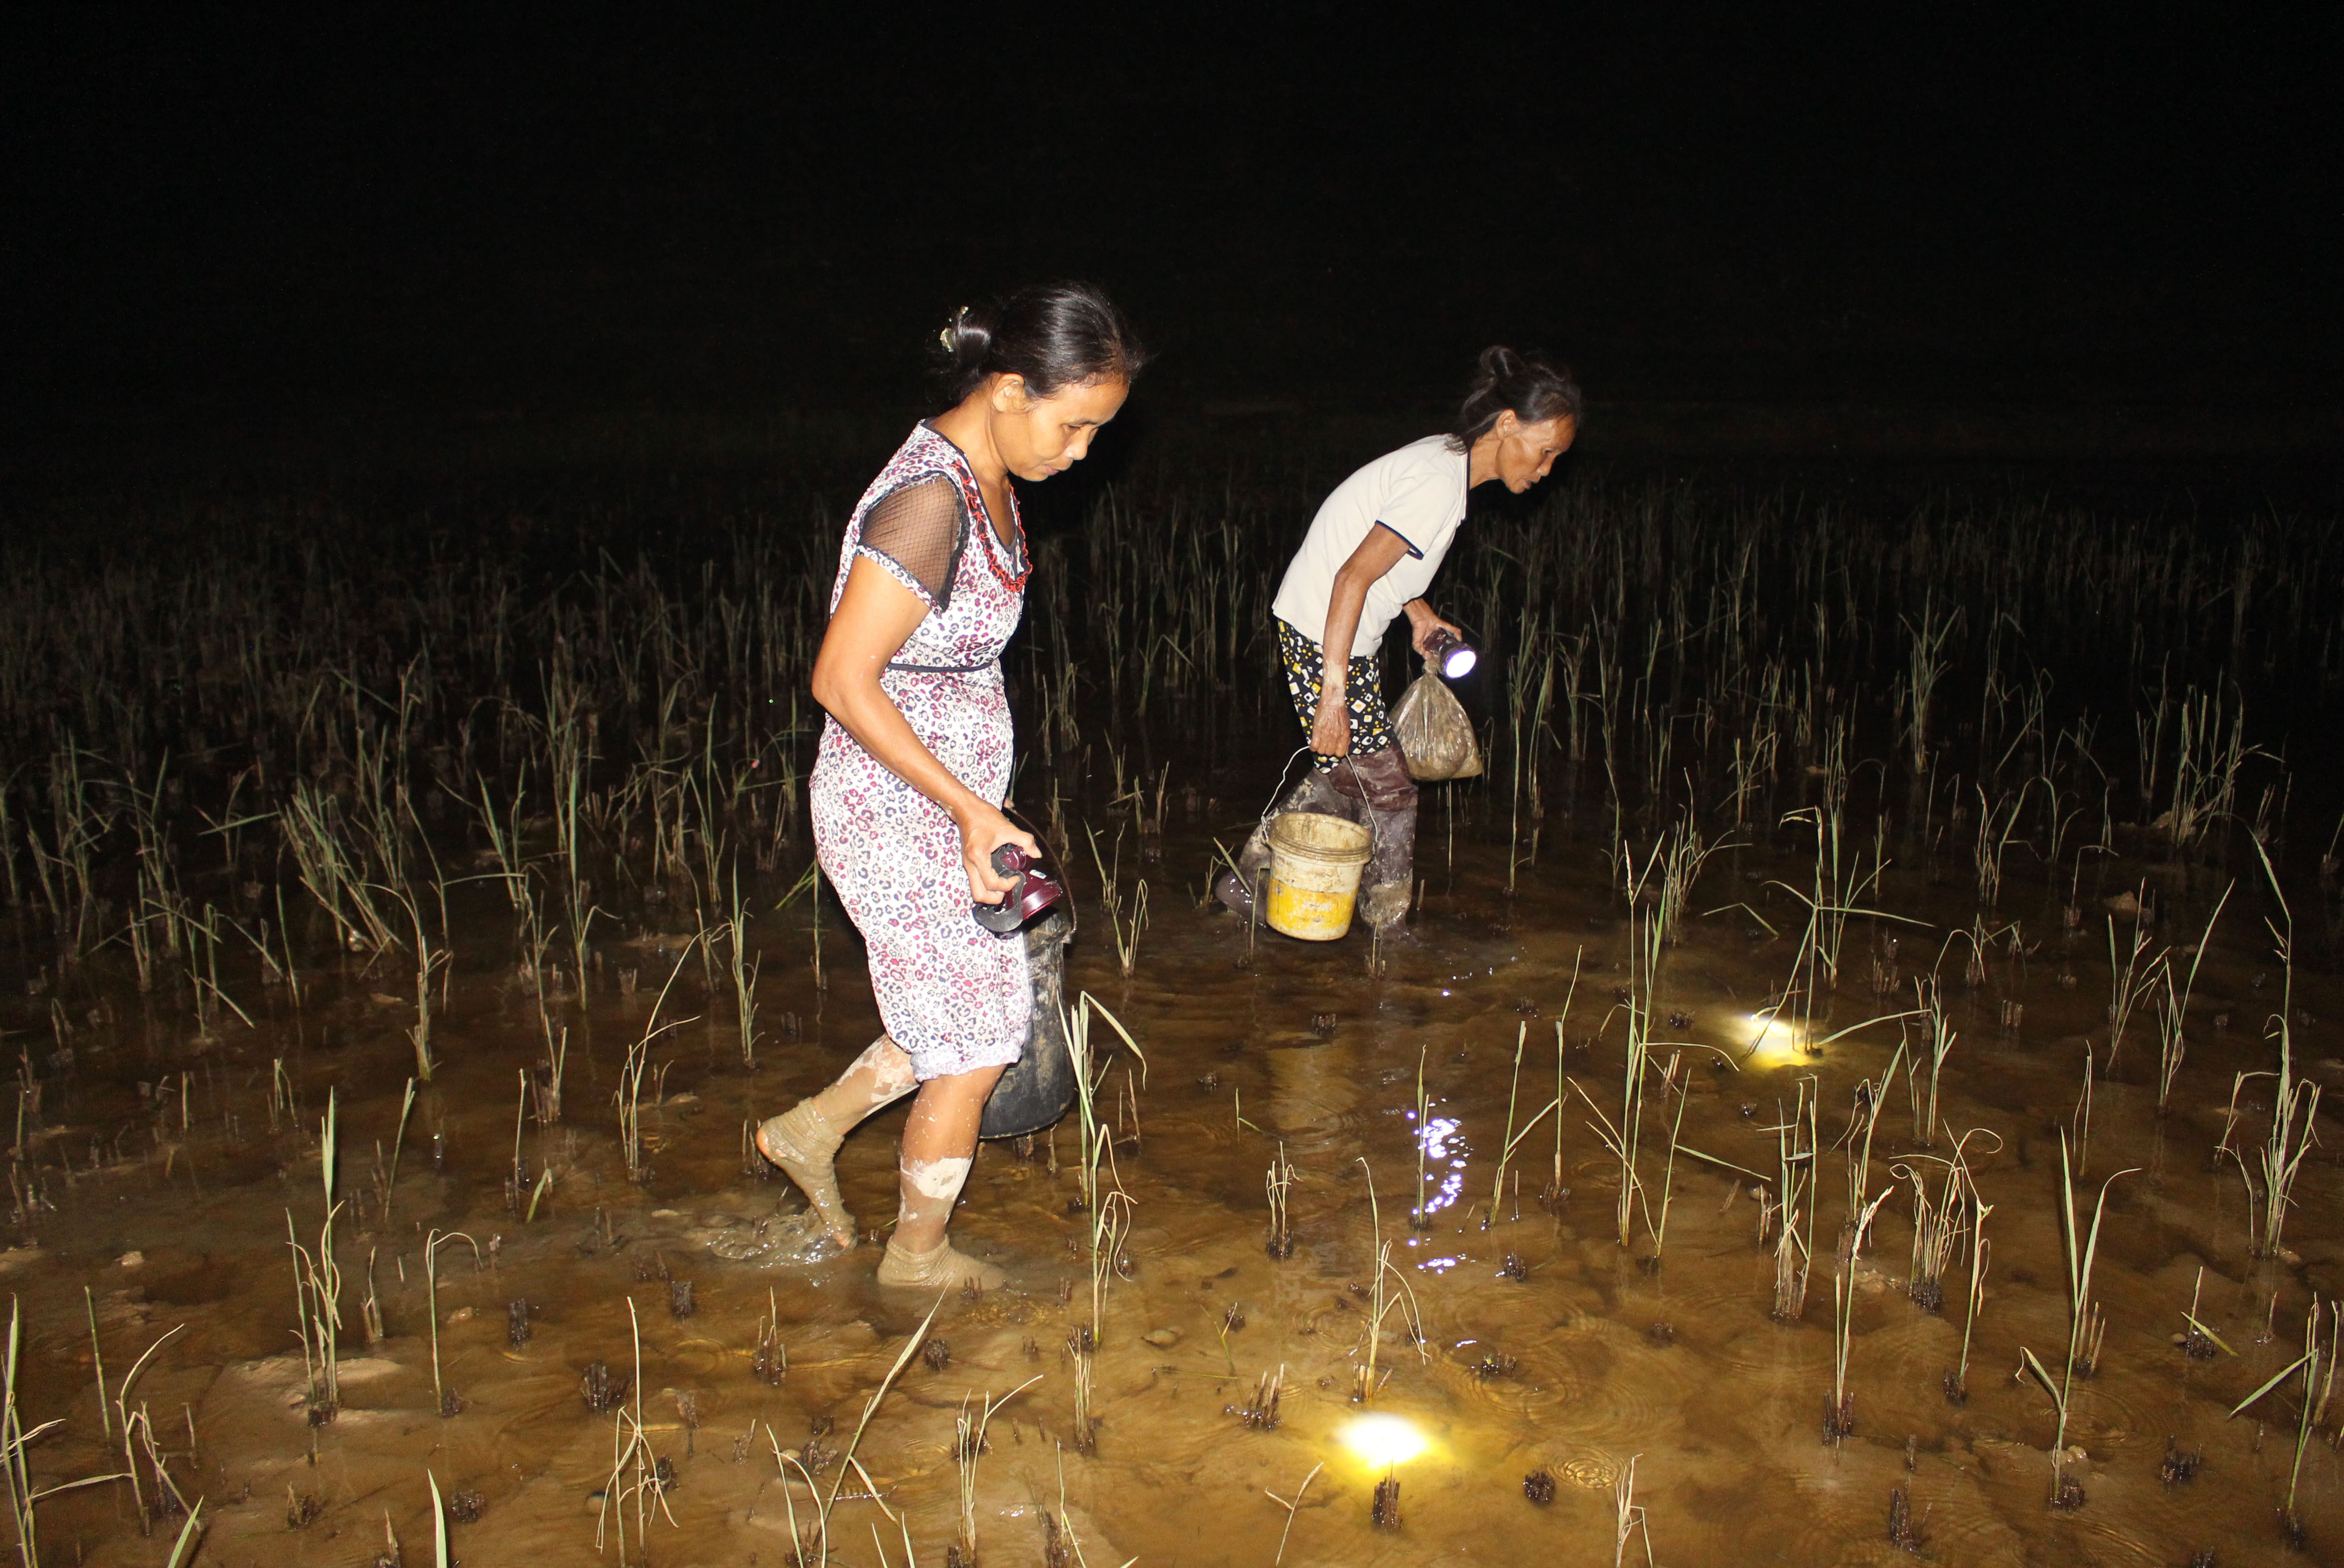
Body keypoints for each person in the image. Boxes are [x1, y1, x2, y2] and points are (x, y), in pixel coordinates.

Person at [757, 284, 1143, 1289]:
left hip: (947, 797)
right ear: (1011, 390)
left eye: (1099, 430)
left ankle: (808, 1132)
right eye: (1074, 425)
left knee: (957, 1003)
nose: (1082, 451)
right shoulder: (929, 499)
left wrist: (981, 798)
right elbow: (841, 681)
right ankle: (914, 1263)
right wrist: (971, 808)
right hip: (892, 806)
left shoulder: (991, 478)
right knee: (976, 1042)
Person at [1218, 347, 1580, 933]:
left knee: (1348, 772)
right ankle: (1389, 935)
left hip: (1324, 629)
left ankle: (1249, 880)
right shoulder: (1438, 485)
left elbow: (1379, 558)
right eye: (1545, 454)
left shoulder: (1446, 463)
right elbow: (1352, 576)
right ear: (1508, 424)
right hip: (1324, 635)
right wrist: (1331, 695)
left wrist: (1418, 613)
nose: (1544, 471)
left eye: (1555, 461)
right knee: (1389, 789)